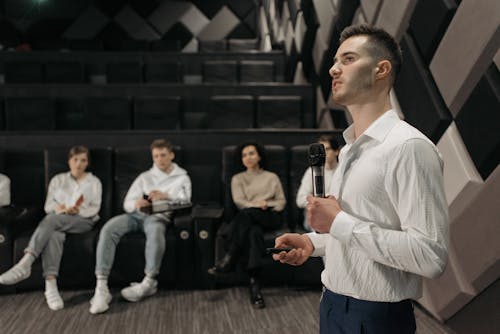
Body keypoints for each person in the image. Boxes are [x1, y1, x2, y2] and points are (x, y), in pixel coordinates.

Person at [273, 24, 449, 333]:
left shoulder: (408, 147)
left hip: (376, 317)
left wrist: (338, 221)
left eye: (348, 59)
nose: (332, 69)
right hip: (332, 305)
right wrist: (311, 243)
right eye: (335, 61)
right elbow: (360, 234)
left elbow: (430, 256)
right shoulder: (350, 148)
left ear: (381, 69)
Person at [89, 139, 191, 314]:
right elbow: (127, 203)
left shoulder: (182, 177)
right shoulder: (145, 177)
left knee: (154, 229)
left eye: (163, 155)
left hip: (158, 216)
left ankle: (149, 281)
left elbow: (186, 202)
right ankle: (101, 286)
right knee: (109, 228)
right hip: (136, 215)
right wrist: (137, 203)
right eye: (156, 156)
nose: (159, 159)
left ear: (171, 155)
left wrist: (165, 196)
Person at [0, 146, 102, 311]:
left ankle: (26, 262)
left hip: (83, 220)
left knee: (51, 220)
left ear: (87, 163)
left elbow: (95, 208)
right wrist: (62, 209)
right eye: (75, 159)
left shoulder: (94, 182)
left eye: (83, 160)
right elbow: (49, 206)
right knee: (54, 234)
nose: (79, 164)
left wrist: (78, 210)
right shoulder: (58, 180)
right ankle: (51, 286)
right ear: (69, 161)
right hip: (58, 219)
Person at [208, 142, 286, 309]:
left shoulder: (271, 177)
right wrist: (255, 205)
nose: (248, 157)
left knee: (247, 216)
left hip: (270, 215)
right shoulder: (237, 179)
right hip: (250, 216)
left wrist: (267, 203)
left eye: (251, 153)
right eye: (244, 155)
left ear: (259, 156)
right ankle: (255, 286)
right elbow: (240, 202)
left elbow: (281, 202)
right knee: (253, 232)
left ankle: (230, 256)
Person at [296, 135, 340, 231]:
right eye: (321, 151)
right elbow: (300, 200)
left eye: (327, 150)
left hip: (338, 214)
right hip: (317, 215)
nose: (323, 154)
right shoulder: (311, 171)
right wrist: (321, 202)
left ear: (336, 151)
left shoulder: (343, 170)